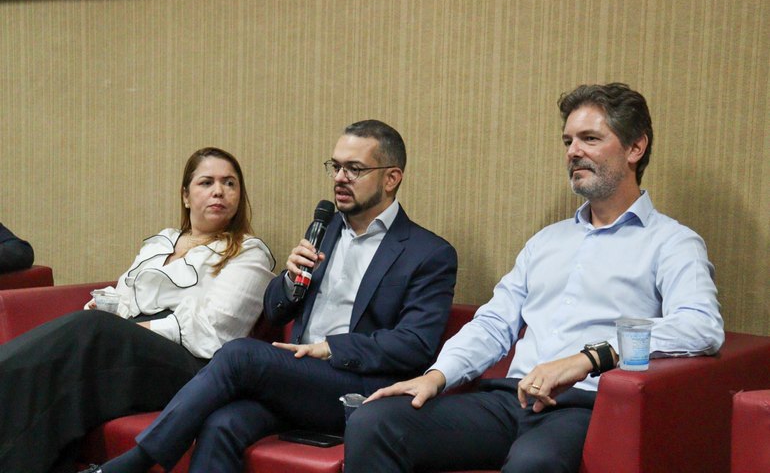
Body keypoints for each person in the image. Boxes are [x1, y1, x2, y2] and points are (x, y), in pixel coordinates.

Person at [343, 84, 725, 473]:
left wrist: (588, 359)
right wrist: (437, 377)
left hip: (582, 407)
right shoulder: (547, 241)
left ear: (635, 148)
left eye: (590, 139)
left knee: (533, 464)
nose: (573, 151)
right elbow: (494, 323)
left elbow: (700, 326)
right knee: (374, 422)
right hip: (510, 399)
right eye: (568, 141)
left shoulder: (672, 242)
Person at [84, 119, 458, 473]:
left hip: (359, 387)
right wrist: (290, 281)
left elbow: (415, 344)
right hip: (299, 379)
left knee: (239, 354)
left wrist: (330, 348)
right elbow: (275, 311)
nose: (339, 178)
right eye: (335, 166)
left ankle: (134, 462)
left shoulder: (428, 253)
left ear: (391, 178)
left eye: (354, 169)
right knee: (221, 423)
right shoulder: (325, 229)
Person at [0, 147, 276, 473]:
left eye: (229, 183)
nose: (219, 191)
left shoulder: (248, 252)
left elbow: (215, 330)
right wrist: (106, 306)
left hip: (193, 365)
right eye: (206, 182)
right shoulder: (162, 241)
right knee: (52, 375)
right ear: (186, 196)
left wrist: (130, 329)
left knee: (92, 330)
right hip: (129, 348)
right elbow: (124, 293)